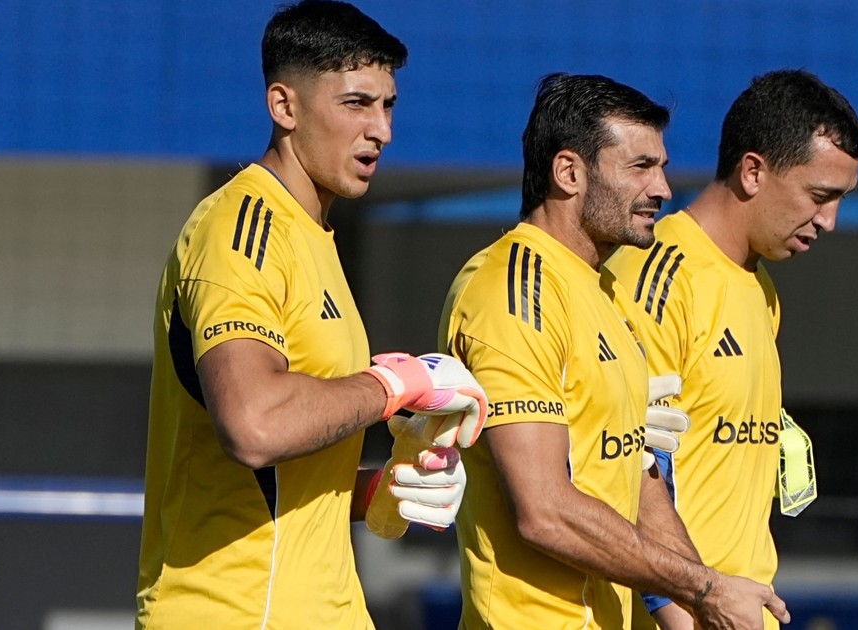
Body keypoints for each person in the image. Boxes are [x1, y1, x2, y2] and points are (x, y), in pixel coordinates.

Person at [136, 2, 485, 627]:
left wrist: (383, 486)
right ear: (284, 107)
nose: (382, 130)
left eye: (388, 105)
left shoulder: (311, 235)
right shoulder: (240, 229)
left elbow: (286, 486)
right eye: (356, 103)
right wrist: (396, 384)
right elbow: (254, 425)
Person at [439, 72, 790, 630]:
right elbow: (544, 511)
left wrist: (705, 605)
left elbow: (641, 481)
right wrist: (703, 587)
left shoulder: (606, 292)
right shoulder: (514, 289)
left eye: (662, 167)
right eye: (640, 167)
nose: (663, 188)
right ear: (569, 172)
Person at [605, 68, 858, 630]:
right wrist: (689, 614)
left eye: (840, 200)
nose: (830, 221)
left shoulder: (761, 290)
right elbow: (628, 471)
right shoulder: (656, 276)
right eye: (820, 196)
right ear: (753, 171)